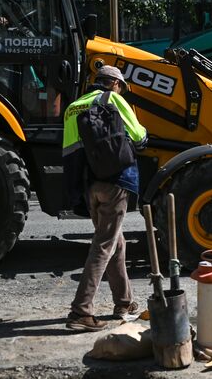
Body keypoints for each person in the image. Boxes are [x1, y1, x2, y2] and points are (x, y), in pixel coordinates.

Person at [62, 65, 148, 331]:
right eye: (121, 86)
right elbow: (139, 136)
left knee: (116, 242)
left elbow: (70, 152)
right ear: (115, 84)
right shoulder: (114, 100)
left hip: (91, 188)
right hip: (116, 184)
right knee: (104, 245)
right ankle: (81, 311)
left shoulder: (74, 107)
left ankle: (124, 302)